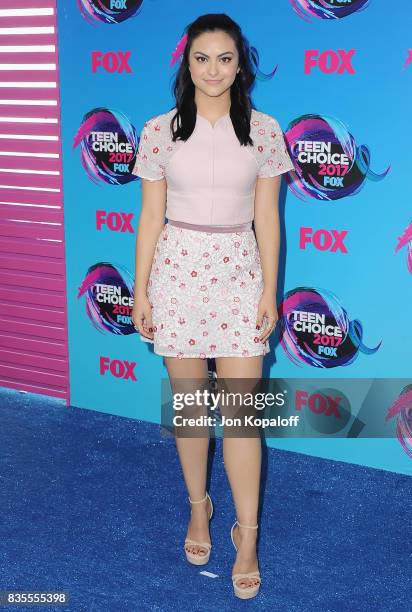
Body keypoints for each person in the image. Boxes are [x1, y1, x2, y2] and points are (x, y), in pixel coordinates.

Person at [131, 13, 294, 600]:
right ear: (187, 63)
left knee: (243, 418)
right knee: (193, 410)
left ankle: (247, 536)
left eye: (225, 58)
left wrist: (268, 291)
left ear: (241, 64)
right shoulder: (159, 131)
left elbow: (268, 220)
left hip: (238, 275)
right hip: (177, 273)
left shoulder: (266, 132)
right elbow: (150, 216)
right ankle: (199, 508)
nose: (214, 70)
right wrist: (141, 287)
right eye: (203, 58)